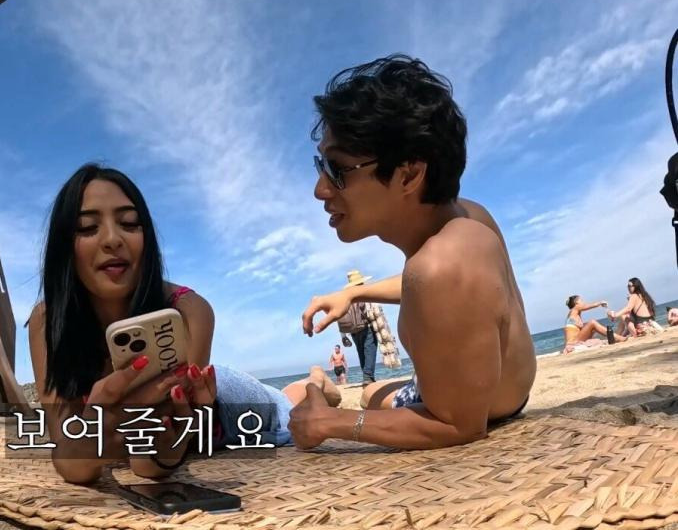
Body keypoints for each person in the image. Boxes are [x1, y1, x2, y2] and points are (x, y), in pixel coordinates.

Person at [28, 164, 338, 483]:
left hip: (226, 405)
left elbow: (153, 461)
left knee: (287, 405)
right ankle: (313, 381)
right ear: (64, 246)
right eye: (87, 227)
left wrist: (144, 443)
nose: (112, 239)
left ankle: (317, 382)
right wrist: (89, 441)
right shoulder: (47, 322)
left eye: (130, 223)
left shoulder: (189, 309)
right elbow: (68, 456)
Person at [294, 55, 536, 451]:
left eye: (337, 169)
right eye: (321, 165)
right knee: (371, 393)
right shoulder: (469, 218)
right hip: (502, 391)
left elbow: (460, 426)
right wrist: (354, 293)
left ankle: (320, 387)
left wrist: (331, 423)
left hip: (470, 411)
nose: (320, 189)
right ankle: (324, 384)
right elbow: (446, 294)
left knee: (367, 399)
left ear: (408, 174)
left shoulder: (441, 266)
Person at [337, 270, 378, 385]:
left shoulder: (346, 297)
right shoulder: (363, 293)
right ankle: (368, 376)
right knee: (369, 349)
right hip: (367, 326)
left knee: (361, 351)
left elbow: (341, 316)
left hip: (353, 330)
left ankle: (366, 376)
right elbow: (372, 311)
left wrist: (343, 336)